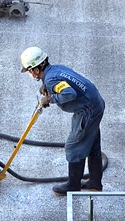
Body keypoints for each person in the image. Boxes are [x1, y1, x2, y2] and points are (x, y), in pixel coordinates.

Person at [21, 47, 104, 195]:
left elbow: (69, 93)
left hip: (87, 110)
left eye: (30, 70)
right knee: (92, 146)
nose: (31, 74)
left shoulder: (51, 78)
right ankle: (95, 183)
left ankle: (73, 185)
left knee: (73, 146)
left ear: (36, 69)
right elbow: (65, 82)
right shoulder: (55, 69)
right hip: (95, 103)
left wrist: (50, 98)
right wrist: (46, 87)